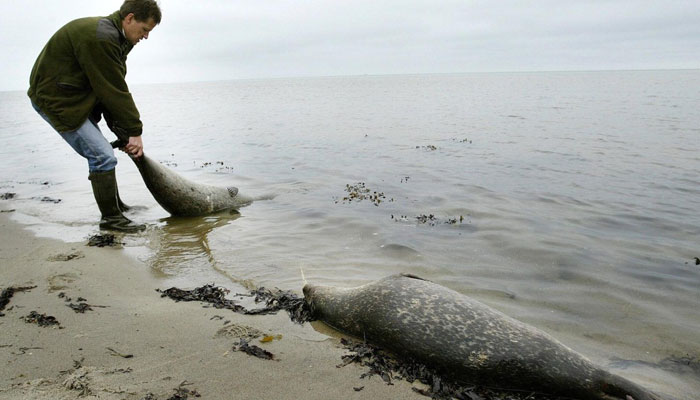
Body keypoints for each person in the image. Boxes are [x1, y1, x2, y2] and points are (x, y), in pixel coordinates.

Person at [27, 0, 161, 232]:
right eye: (145, 29)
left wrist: (123, 132)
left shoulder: (117, 39)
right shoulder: (102, 37)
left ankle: (116, 207)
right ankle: (111, 220)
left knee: (104, 153)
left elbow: (105, 89)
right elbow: (112, 89)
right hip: (57, 100)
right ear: (129, 18)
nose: (146, 37)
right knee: (102, 156)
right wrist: (135, 131)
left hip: (74, 96)